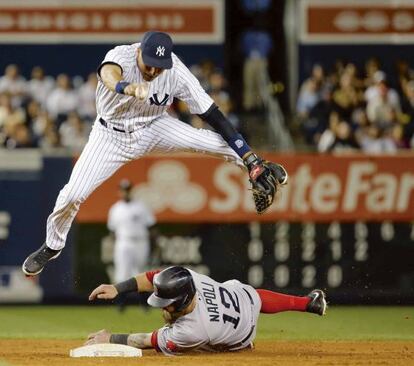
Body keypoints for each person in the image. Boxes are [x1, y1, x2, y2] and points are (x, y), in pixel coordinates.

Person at [22, 30, 288, 276]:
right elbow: (108, 74)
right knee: (72, 195)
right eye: (148, 62)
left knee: (212, 141)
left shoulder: (176, 72)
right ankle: (52, 246)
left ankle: (255, 163)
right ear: (139, 50)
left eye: (158, 66)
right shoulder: (121, 56)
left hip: (154, 127)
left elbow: (212, 115)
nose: (152, 70)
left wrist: (247, 156)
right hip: (109, 136)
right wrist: (127, 87)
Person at [85, 266, 327, 355]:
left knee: (198, 347)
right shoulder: (188, 277)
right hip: (240, 301)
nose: (161, 307)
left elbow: (148, 340)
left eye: (166, 304)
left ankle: (237, 347)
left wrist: (110, 338)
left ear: (181, 302)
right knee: (243, 291)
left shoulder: (192, 331)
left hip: (238, 340)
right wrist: (118, 288)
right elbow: (153, 277)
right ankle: (309, 303)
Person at [108, 179, 157, 287]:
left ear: (131, 190)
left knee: (141, 272)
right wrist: (114, 246)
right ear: (119, 192)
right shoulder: (115, 209)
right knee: (122, 271)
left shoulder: (141, 206)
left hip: (141, 241)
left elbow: (151, 227)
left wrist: (154, 245)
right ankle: (120, 302)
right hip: (123, 241)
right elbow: (112, 231)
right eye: (123, 190)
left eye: (127, 189)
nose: (125, 192)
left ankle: (143, 302)